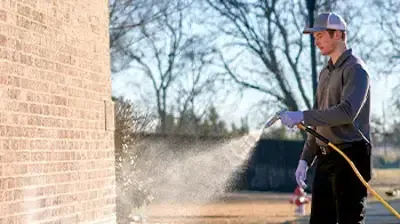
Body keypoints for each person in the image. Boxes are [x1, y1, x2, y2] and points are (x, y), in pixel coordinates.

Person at [278, 12, 372, 224]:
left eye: (320, 35)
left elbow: (347, 112)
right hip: (325, 157)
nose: (316, 41)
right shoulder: (325, 73)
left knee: (349, 220)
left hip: (351, 156)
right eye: (315, 37)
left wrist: (302, 115)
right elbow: (318, 120)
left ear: (337, 34)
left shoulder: (356, 69)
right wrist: (305, 159)